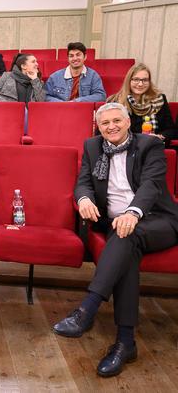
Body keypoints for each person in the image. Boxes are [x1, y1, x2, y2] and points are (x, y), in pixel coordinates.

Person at [52, 102, 178, 377]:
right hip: (117, 224)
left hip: (157, 218)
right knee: (126, 244)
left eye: (116, 121)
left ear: (127, 121)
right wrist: (83, 198)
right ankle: (125, 342)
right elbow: (83, 181)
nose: (111, 127)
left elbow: (152, 185)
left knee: (126, 233)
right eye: (104, 123)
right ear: (98, 126)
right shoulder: (92, 146)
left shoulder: (149, 146)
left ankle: (87, 310)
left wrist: (133, 212)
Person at [106, 63, 177, 147]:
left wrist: (159, 137)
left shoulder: (159, 99)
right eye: (136, 79)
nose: (140, 84)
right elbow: (104, 130)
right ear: (129, 80)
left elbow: (171, 130)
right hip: (125, 147)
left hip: (152, 146)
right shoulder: (115, 101)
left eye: (145, 80)